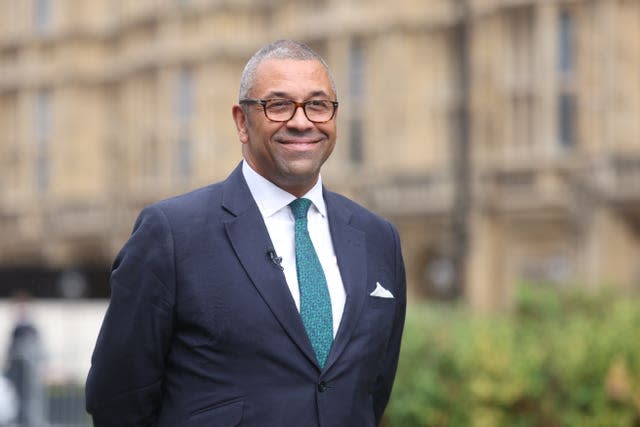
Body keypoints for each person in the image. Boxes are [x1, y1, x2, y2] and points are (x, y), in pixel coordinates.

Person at [85, 39, 406, 427]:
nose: (302, 121)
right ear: (241, 121)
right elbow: (117, 401)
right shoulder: (171, 234)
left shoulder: (379, 239)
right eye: (279, 105)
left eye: (318, 105)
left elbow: (370, 393)